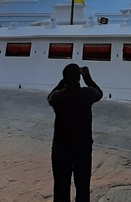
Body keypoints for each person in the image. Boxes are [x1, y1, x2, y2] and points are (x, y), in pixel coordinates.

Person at [47, 64, 103, 202]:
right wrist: (87, 78)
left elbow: (49, 97)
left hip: (61, 148)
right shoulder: (86, 94)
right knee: (83, 187)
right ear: (79, 78)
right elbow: (99, 92)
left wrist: (63, 81)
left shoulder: (58, 97)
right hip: (82, 148)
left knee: (61, 186)